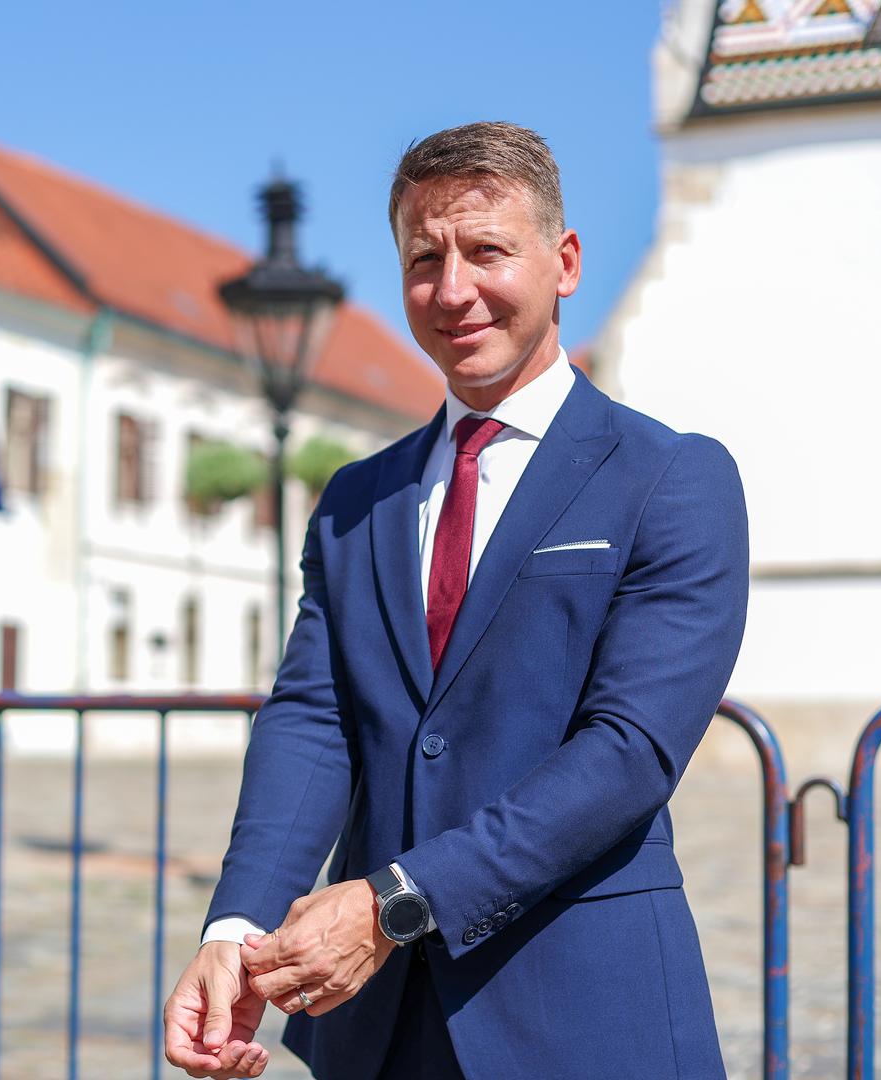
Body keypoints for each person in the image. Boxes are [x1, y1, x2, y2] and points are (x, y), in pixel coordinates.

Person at [163, 121, 747, 1080]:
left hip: (581, 1012)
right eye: (423, 258)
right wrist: (236, 927)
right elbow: (315, 719)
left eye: (487, 251)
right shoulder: (357, 500)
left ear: (563, 263)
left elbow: (630, 752)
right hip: (376, 1032)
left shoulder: (670, 478)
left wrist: (396, 901)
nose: (452, 289)